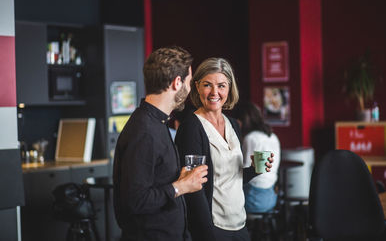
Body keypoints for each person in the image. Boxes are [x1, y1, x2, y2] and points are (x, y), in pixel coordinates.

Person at [113, 46, 208, 241]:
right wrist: (181, 186)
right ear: (177, 82)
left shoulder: (156, 122)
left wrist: (179, 180)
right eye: (189, 83)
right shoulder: (145, 131)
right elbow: (135, 201)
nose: (189, 90)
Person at [175, 58, 273, 241]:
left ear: (229, 88)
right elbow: (193, 188)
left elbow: (230, 179)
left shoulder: (234, 124)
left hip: (240, 223)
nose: (215, 92)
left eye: (221, 85)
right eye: (207, 85)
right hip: (212, 227)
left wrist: (254, 170)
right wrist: (207, 233)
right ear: (197, 87)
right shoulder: (192, 127)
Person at [233, 101, 281, 213]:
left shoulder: (250, 138)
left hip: (254, 198)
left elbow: (243, 172)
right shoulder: (273, 136)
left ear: (243, 120)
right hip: (272, 196)